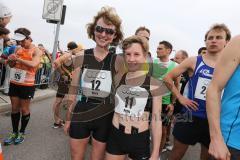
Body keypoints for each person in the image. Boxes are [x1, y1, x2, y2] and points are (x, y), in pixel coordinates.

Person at [63, 6, 124, 160]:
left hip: (105, 114)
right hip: (81, 111)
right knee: (76, 157)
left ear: (115, 35)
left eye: (109, 31)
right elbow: (73, 90)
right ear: (93, 30)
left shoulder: (118, 61)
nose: (103, 34)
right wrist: (68, 118)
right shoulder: (82, 55)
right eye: (99, 29)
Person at [163, 23, 231, 160]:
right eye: (210, 37)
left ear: (227, 42)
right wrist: (181, 98)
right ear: (205, 41)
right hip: (189, 115)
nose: (213, 40)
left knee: (206, 157)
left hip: (214, 121)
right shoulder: (194, 61)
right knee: (176, 154)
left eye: (219, 37)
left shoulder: (230, 65)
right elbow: (167, 78)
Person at [105, 36, 168, 160]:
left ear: (145, 56)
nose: (131, 59)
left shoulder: (155, 84)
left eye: (136, 54)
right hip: (115, 137)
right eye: (128, 54)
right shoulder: (117, 79)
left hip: (139, 140)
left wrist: (155, 153)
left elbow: (156, 120)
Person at [3, 28, 41, 145]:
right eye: (19, 41)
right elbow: (11, 65)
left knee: (24, 109)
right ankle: (14, 132)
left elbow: (34, 64)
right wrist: (10, 60)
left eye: (23, 41)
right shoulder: (18, 48)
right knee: (14, 109)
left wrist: (18, 58)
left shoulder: (37, 50)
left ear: (29, 38)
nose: (21, 43)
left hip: (27, 85)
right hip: (15, 82)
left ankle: (22, 132)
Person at [206, 36, 240, 160]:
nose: (213, 40)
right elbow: (214, 88)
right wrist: (216, 139)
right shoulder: (238, 42)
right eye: (210, 38)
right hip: (232, 143)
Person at [152, 40, 179, 153]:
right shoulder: (153, 63)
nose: (157, 50)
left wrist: (172, 103)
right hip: (151, 100)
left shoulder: (175, 66)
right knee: (146, 128)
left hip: (165, 102)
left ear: (168, 51)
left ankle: (157, 154)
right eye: (157, 48)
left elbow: (176, 85)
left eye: (160, 48)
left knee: (162, 131)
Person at [52, 41, 81, 128]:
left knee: (61, 101)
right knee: (61, 101)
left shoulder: (69, 54)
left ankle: (59, 121)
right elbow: (56, 62)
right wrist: (63, 74)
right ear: (75, 48)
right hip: (65, 81)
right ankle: (58, 121)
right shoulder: (68, 54)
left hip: (67, 81)